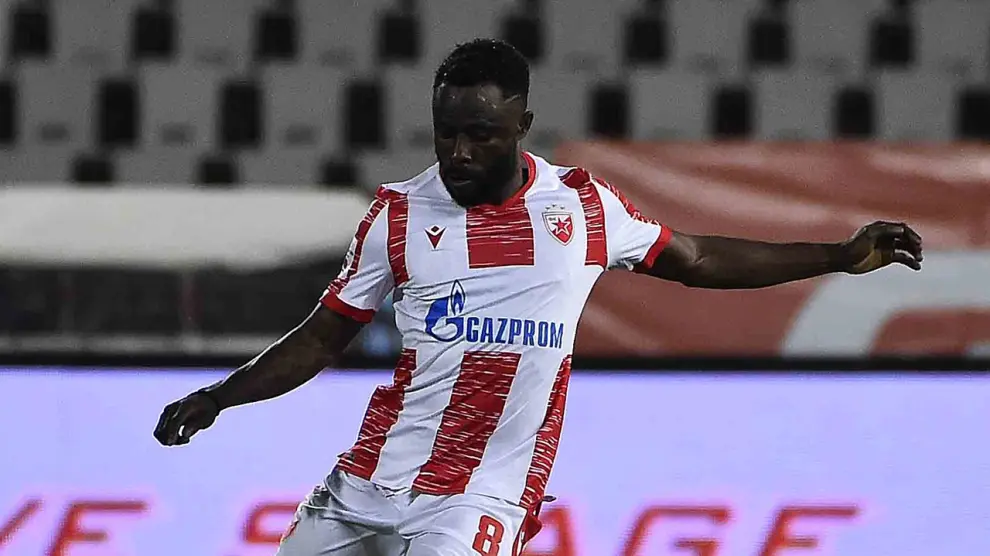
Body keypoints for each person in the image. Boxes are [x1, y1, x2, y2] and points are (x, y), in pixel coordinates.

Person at [154, 38, 923, 555]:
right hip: (365, 481)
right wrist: (220, 397)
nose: (459, 151)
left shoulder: (581, 209)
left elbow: (698, 258)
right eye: (446, 132)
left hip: (479, 497)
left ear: (522, 124)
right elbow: (324, 336)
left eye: (481, 134)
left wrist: (837, 255)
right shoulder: (398, 213)